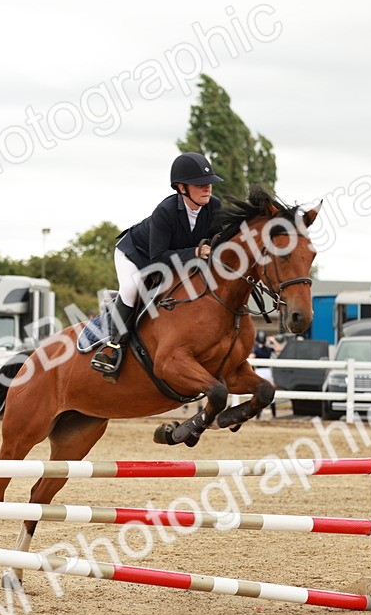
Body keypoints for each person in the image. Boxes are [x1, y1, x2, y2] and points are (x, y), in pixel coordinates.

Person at [91, 152, 224, 376]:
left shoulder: (214, 207)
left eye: (209, 183)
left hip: (176, 258)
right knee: (132, 289)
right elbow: (159, 258)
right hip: (136, 255)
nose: (207, 188)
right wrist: (195, 252)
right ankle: (114, 347)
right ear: (182, 188)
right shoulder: (166, 211)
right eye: (200, 184)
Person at [251, 330, 278, 418]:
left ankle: (258, 415)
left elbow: (252, 357)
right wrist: (273, 340)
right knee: (271, 392)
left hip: (259, 372)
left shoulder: (256, 349)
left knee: (259, 393)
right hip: (268, 372)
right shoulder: (268, 349)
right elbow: (279, 349)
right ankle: (274, 415)